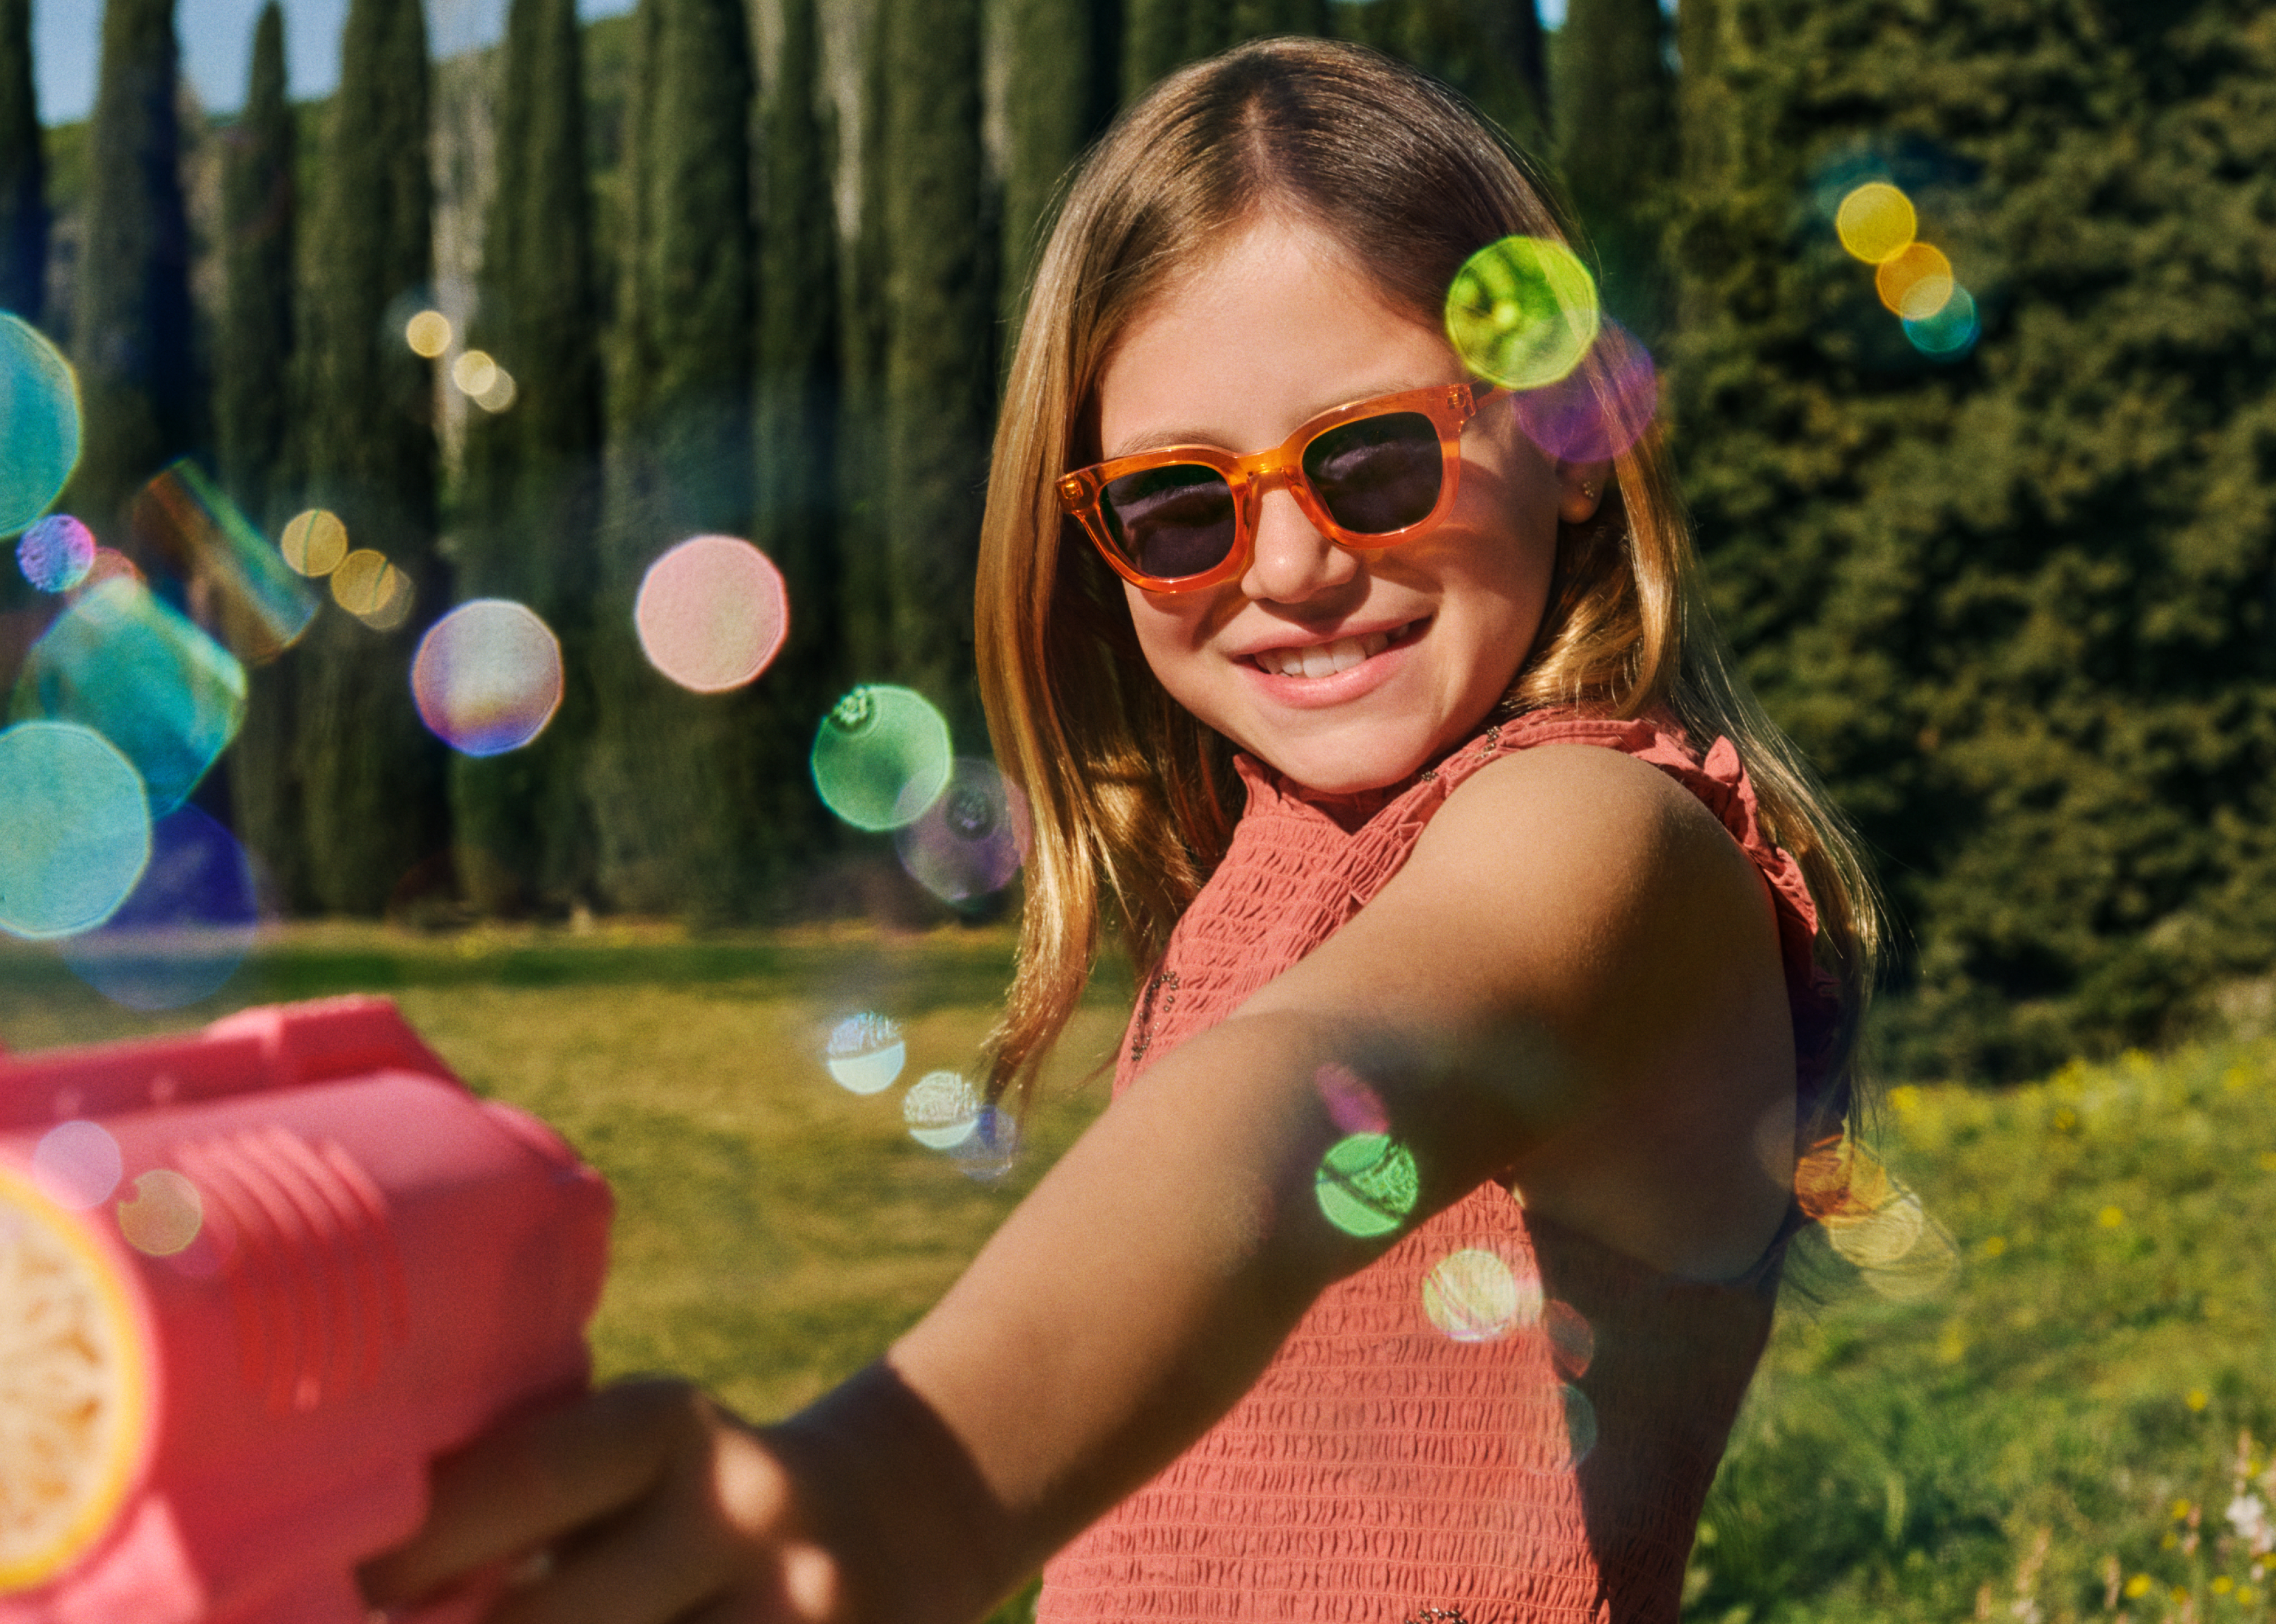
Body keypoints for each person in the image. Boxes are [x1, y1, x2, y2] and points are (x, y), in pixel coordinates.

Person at [361, 36, 1883, 1624]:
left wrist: (885, 1499)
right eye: (1179, 505)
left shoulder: (1602, 835)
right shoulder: (1272, 858)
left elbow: (1297, 1100)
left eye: (1376, 460)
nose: (1287, 566)